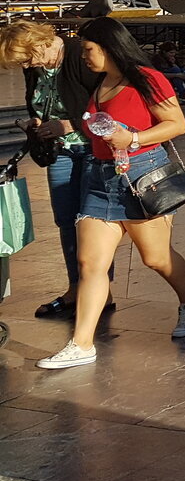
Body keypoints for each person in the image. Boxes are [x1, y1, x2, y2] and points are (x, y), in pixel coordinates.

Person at [36, 17, 185, 369]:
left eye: (89, 49)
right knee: (89, 264)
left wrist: (134, 138)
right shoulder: (102, 81)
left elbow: (177, 124)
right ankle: (81, 344)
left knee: (156, 258)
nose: (84, 56)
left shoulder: (147, 78)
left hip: (140, 175)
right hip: (99, 178)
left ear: (109, 48)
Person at [0, 21, 110, 320]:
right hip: (60, 151)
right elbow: (38, 101)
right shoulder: (36, 66)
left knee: (92, 221)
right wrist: (37, 122)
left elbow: (109, 104)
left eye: (26, 58)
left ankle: (100, 290)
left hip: (93, 148)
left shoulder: (79, 55)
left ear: (38, 42)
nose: (26, 65)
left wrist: (71, 124)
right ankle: (76, 288)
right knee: (66, 219)